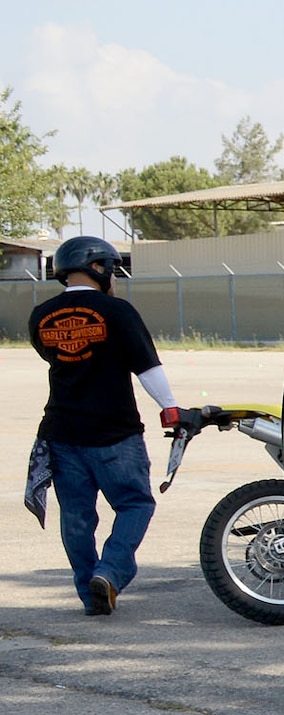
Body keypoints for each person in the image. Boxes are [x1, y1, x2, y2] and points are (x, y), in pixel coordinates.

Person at [26, 235, 190, 615]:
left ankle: (90, 594)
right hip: (115, 433)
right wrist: (170, 409)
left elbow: (55, 359)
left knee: (77, 517)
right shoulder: (117, 312)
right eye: (112, 269)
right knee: (135, 503)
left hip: (61, 433)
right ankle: (111, 573)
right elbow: (147, 367)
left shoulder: (41, 316)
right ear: (98, 268)